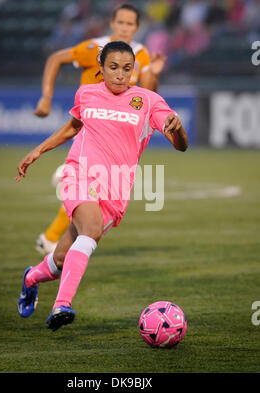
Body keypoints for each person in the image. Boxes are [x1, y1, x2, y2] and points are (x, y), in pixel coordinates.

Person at [16, 41, 188, 332]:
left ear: (133, 70)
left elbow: (181, 145)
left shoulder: (147, 101)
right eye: (113, 67)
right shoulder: (87, 93)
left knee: (60, 260)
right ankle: (62, 305)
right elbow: (73, 126)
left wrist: (177, 127)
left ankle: (31, 278)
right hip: (79, 175)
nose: (121, 75)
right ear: (101, 68)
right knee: (91, 230)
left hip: (115, 192)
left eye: (127, 68)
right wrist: (39, 150)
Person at [33, 3, 167, 255]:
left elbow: (148, 95)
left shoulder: (141, 54)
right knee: (90, 194)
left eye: (130, 24)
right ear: (112, 23)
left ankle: (52, 238)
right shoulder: (94, 47)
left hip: (115, 136)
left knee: (92, 196)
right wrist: (46, 98)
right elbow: (55, 59)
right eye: (121, 23)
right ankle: (56, 239)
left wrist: (155, 73)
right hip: (90, 132)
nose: (125, 28)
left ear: (137, 28)